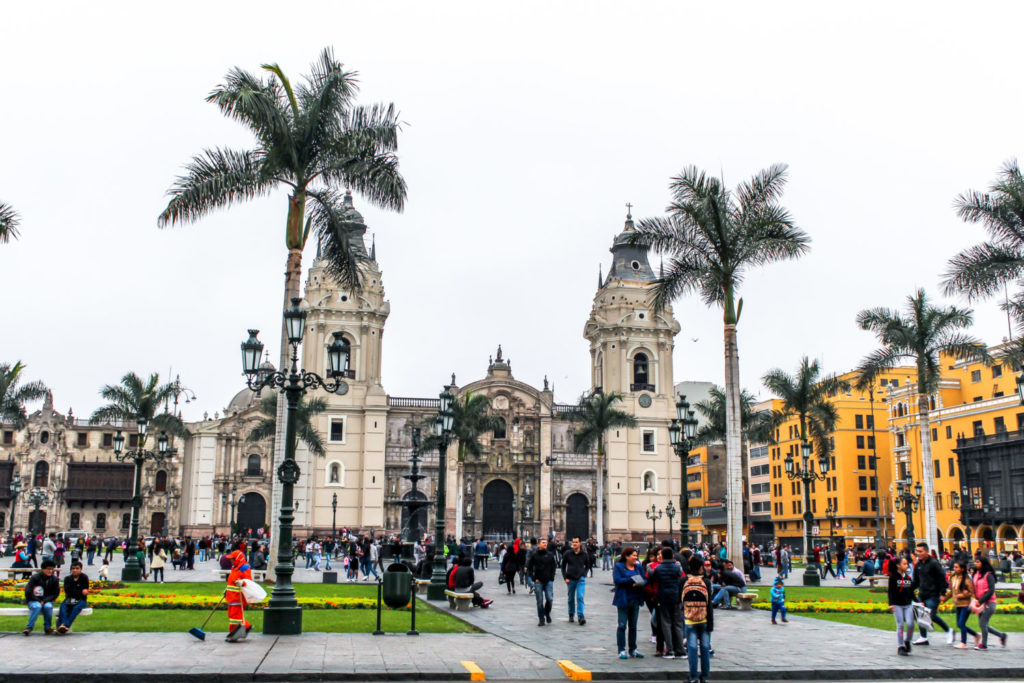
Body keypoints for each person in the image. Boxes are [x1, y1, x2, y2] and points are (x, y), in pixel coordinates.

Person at [911, 542, 951, 646]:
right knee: (920, 615)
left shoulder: (934, 563)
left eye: (920, 551)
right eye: (917, 551)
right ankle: (923, 637)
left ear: (927, 551)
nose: (918, 553)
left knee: (931, 615)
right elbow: (916, 581)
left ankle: (949, 630)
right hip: (922, 594)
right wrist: (908, 589)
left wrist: (943, 593)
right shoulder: (918, 565)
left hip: (933, 594)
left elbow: (941, 578)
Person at [612, 546, 646, 659]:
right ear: (626, 556)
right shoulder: (619, 566)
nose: (635, 558)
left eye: (636, 556)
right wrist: (632, 579)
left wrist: (639, 583)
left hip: (635, 599)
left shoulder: (638, 567)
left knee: (633, 626)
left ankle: (633, 649)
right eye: (634, 555)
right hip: (623, 600)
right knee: (622, 625)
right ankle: (621, 650)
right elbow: (617, 580)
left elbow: (645, 579)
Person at [652, 546, 685, 659]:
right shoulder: (677, 567)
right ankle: (680, 651)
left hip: (663, 598)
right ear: (672, 556)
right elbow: (680, 574)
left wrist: (648, 569)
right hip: (675, 597)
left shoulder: (659, 568)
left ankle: (670, 650)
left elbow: (653, 576)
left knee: (666, 624)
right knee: (678, 624)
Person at [683, 556, 711, 683]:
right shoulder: (707, 582)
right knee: (705, 648)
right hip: (704, 619)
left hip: (689, 620)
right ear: (701, 567)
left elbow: (681, 600)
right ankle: (704, 677)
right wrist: (711, 623)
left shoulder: (684, 580)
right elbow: (709, 604)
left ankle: (693, 677)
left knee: (692, 649)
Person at [972, 557, 1007, 650]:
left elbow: (991, 591)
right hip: (980, 603)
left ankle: (984, 645)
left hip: (989, 602)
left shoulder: (989, 575)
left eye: (978, 561)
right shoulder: (976, 574)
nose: (975, 563)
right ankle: (1002, 635)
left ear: (983, 563)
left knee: (982, 623)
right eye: (975, 562)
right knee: (983, 624)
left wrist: (981, 601)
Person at [942, 560, 977, 649]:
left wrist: (961, 595)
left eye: (956, 567)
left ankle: (964, 642)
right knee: (959, 624)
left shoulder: (967, 579)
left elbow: (971, 592)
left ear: (962, 569)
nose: (955, 569)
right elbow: (952, 592)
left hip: (965, 604)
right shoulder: (954, 578)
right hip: (957, 604)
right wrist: (944, 599)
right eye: (954, 567)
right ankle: (975, 634)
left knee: (961, 623)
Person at [224, 544, 253, 642]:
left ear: (237, 559)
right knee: (232, 615)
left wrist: (242, 582)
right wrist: (226, 591)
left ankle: (234, 635)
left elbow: (249, 581)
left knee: (235, 617)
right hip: (231, 597)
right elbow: (231, 582)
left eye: (232, 558)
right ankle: (246, 627)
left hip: (238, 597)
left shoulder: (244, 568)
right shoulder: (235, 568)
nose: (231, 560)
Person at [23, 559, 60, 636]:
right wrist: (38, 600)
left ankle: (47, 628)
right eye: (48, 569)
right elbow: (28, 592)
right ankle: (29, 627)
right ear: (43, 569)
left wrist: (45, 600)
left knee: (48, 607)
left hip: (46, 600)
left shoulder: (54, 579)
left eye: (52, 569)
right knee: (37, 606)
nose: (50, 571)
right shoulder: (35, 578)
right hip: (33, 600)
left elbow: (55, 593)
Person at [888, 555, 916, 655]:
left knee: (910, 624)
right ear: (898, 565)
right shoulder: (893, 577)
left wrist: (917, 601)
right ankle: (900, 646)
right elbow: (890, 592)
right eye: (904, 564)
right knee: (900, 625)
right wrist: (891, 604)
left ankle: (907, 640)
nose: (907, 565)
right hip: (897, 604)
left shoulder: (908, 577)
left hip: (908, 604)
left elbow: (911, 591)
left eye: (907, 563)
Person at [526, 537, 557, 627]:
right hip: (538, 581)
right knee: (539, 601)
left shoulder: (550, 555)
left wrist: (552, 577)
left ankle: (547, 613)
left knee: (549, 599)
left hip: (548, 581)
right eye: (543, 542)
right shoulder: (534, 555)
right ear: (539, 544)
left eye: (545, 542)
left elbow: (553, 567)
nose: (545, 544)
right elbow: (530, 568)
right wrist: (534, 578)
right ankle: (541, 618)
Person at [56, 561, 90, 634]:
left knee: (76, 608)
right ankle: (64, 626)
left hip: (81, 600)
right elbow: (68, 591)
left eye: (77, 568)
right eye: (73, 568)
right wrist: (80, 591)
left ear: (81, 569)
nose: (75, 570)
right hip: (69, 599)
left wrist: (78, 592)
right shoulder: (67, 579)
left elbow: (84, 592)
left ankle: (64, 626)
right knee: (63, 608)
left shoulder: (84, 577)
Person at [561, 536, 588, 625]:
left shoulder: (584, 554)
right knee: (570, 598)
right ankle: (571, 614)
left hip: (580, 579)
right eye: (573, 542)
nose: (574, 544)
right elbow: (563, 566)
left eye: (576, 542)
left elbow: (587, 565)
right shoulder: (567, 554)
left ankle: (581, 616)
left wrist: (584, 574)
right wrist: (565, 577)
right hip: (570, 579)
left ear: (580, 543)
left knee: (580, 597)